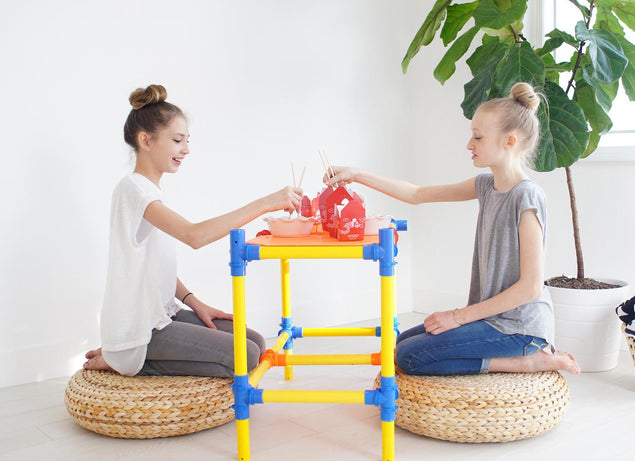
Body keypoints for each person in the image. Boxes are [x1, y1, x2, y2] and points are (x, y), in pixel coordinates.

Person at [324, 82, 580, 376]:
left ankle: (531, 361)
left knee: (410, 356)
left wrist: (458, 317)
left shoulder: (527, 196)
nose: (469, 145)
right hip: (492, 319)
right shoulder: (486, 186)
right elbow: (417, 194)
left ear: (509, 142)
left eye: (478, 137)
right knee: (401, 344)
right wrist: (357, 174)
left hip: (520, 328)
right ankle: (509, 351)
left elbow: (531, 287)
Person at [84, 84, 303, 377]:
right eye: (177, 140)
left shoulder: (148, 190)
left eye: (186, 140)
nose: (186, 150)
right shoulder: (134, 189)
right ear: (146, 140)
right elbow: (194, 236)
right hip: (141, 329)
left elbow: (152, 265)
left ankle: (121, 353)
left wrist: (195, 303)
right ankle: (127, 359)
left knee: (256, 341)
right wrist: (266, 203)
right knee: (247, 354)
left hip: (162, 316)